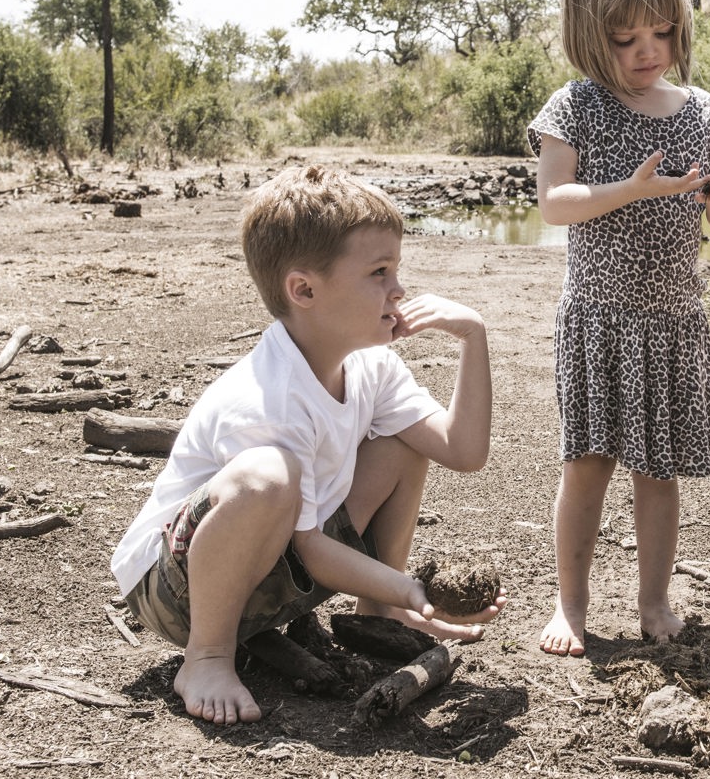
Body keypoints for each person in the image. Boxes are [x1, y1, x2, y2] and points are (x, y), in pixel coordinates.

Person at [108, 165, 504, 725]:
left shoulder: (372, 367)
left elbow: (462, 451)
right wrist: (419, 590)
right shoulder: (266, 398)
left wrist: (473, 337)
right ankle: (207, 657)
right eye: (379, 272)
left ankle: (379, 612)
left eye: (397, 269)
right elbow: (314, 551)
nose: (399, 289)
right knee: (268, 477)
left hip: (272, 571)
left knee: (402, 443)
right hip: (176, 592)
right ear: (305, 289)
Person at [527, 0, 710, 656]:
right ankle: (572, 606)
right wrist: (631, 188)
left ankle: (654, 604)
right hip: (599, 319)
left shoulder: (703, 112)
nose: (646, 51)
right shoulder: (575, 107)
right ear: (590, 34)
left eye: (660, 32)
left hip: (672, 321)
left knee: (659, 473)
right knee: (586, 467)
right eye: (625, 40)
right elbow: (554, 204)